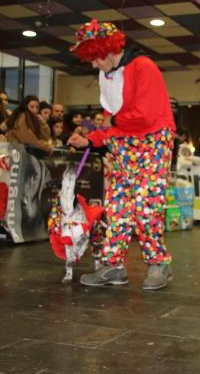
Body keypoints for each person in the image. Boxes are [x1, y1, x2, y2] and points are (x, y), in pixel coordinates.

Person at [67, 19, 176, 290]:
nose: (94, 65)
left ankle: (158, 264)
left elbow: (144, 115)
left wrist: (111, 125)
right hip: (124, 148)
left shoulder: (143, 67)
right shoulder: (107, 75)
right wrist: (88, 140)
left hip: (152, 143)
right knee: (117, 208)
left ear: (109, 49)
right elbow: (111, 125)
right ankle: (113, 265)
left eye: (95, 58)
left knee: (146, 206)